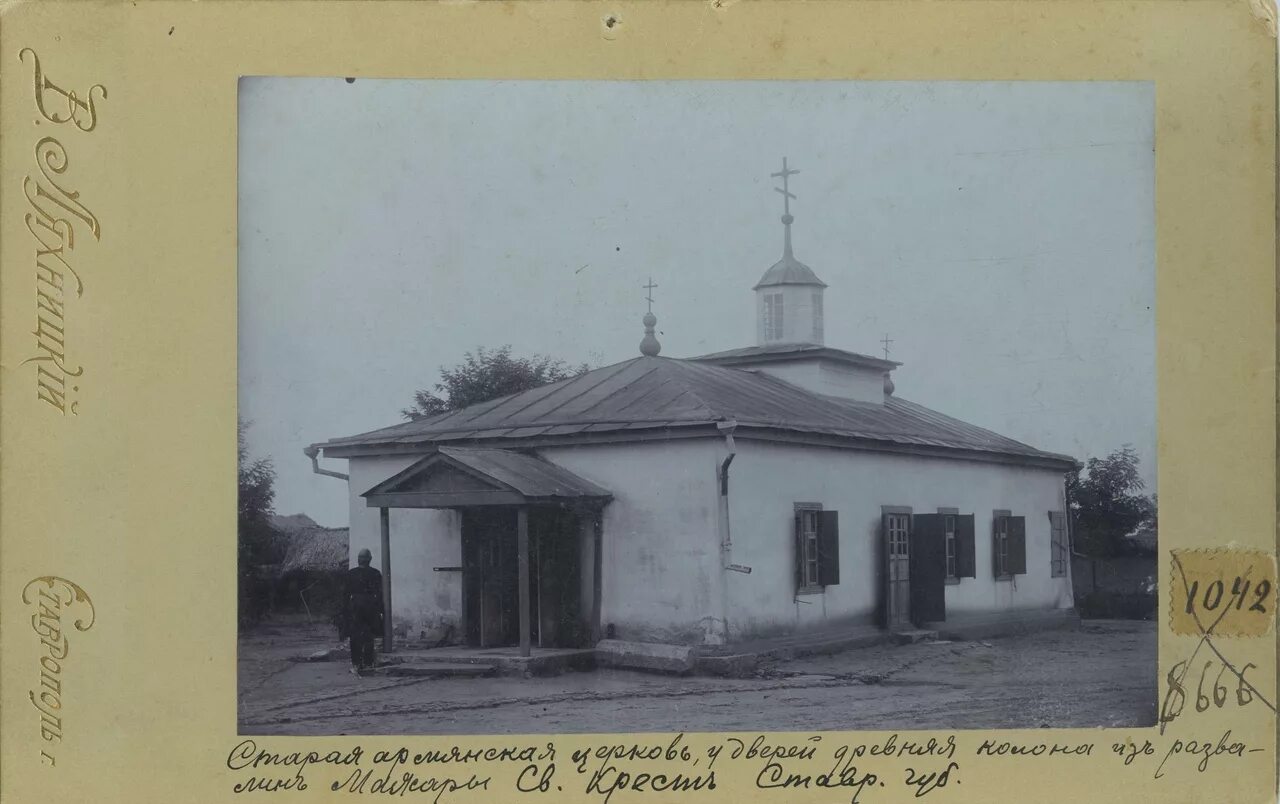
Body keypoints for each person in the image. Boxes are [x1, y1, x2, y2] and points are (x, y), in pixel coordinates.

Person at [341, 548, 384, 675]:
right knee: (369, 636)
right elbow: (380, 594)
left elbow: (345, 594)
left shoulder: (351, 573)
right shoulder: (376, 573)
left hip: (355, 607)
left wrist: (345, 610)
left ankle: (356, 664)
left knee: (355, 636)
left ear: (358, 559)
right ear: (370, 560)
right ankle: (368, 663)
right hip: (370, 606)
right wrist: (380, 609)